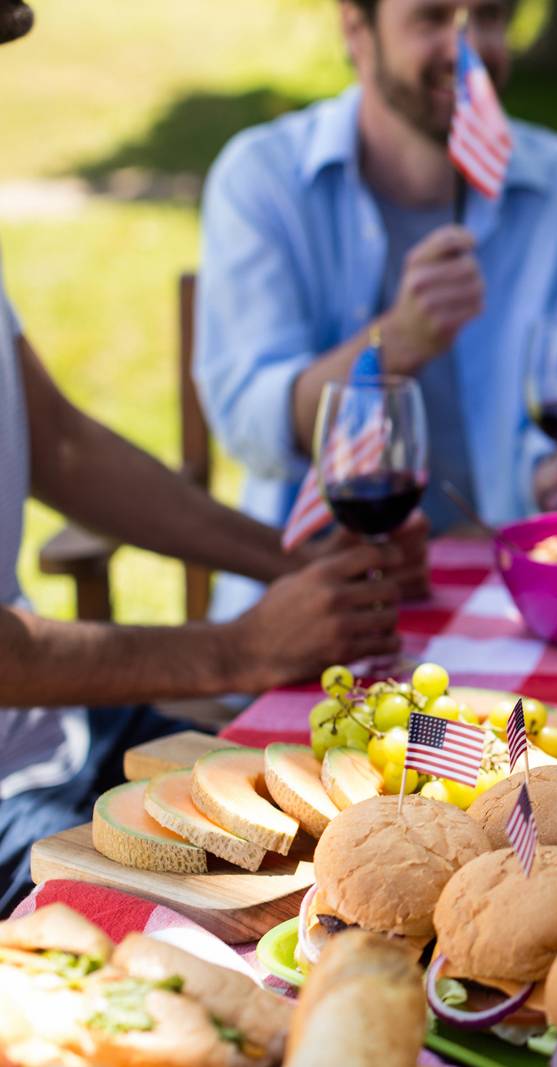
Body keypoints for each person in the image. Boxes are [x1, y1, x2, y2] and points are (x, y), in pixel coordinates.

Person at [0, 0, 427, 917]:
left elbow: (61, 445)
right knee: (287, 936)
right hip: (10, 805)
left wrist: (290, 561)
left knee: (393, 830)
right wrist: (237, 645)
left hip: (62, 736)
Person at [196, 0, 557, 620]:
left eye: (491, 16)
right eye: (431, 17)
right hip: (317, 597)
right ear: (356, 30)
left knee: (543, 723)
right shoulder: (262, 178)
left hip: (508, 596)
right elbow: (249, 423)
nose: (466, 47)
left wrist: (552, 477)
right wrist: (395, 341)